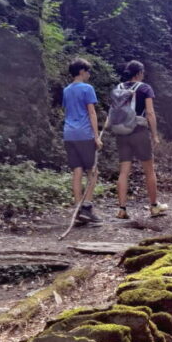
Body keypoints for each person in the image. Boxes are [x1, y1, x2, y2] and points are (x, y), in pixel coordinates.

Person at [110, 60, 168, 218]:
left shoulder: (118, 88)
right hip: (139, 131)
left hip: (121, 132)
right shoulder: (145, 88)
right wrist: (154, 134)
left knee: (123, 172)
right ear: (140, 73)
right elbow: (149, 113)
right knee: (149, 170)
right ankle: (154, 206)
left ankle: (122, 209)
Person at [62, 58, 102, 225]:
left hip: (69, 134)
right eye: (87, 71)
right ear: (81, 71)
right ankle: (86, 206)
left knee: (77, 171)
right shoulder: (87, 88)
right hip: (84, 133)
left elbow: (67, 110)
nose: (89, 74)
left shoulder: (66, 90)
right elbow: (91, 113)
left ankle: (78, 207)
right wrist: (97, 136)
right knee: (93, 171)